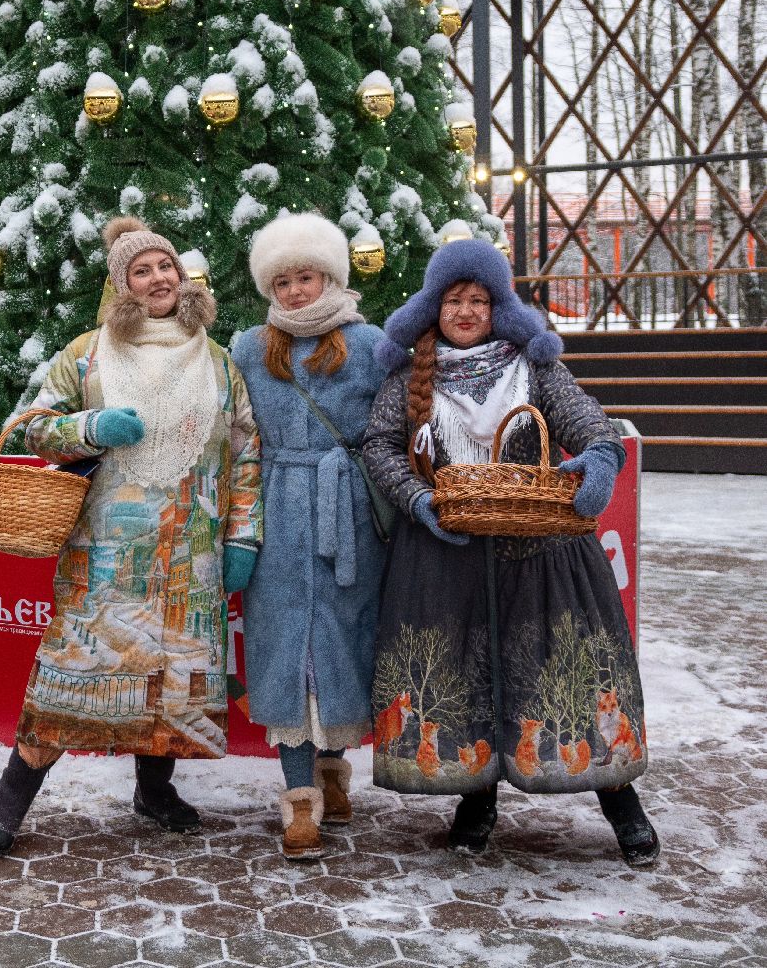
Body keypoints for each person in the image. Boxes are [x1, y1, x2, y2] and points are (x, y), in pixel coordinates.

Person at [361, 238, 658, 867]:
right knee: (464, 676)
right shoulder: (408, 374)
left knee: (564, 672)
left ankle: (620, 798)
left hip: (540, 551)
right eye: (453, 300)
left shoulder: (534, 366)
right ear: (432, 308)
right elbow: (380, 447)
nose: (466, 312)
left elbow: (589, 424)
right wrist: (418, 501)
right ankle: (477, 798)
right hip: (446, 553)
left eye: (479, 299)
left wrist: (600, 458)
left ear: (500, 305)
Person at [0, 216, 264, 859]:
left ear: (183, 279)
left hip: (193, 551)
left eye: (167, 266)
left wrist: (243, 536)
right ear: (123, 286)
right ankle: (12, 794)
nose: (159, 278)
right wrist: (92, 426)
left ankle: (154, 790)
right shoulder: (87, 353)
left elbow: (246, 453)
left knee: (169, 678)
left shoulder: (218, 360)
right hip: (103, 554)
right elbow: (34, 428)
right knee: (74, 671)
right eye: (142, 270)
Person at [229, 213, 389, 860]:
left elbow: (394, 429)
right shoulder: (247, 348)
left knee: (343, 646)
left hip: (346, 511)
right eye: (284, 280)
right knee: (285, 651)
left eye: (307, 276)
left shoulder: (373, 344)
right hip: (276, 513)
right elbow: (235, 435)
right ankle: (300, 804)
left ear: (331, 276)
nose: (296, 291)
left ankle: (333, 769)